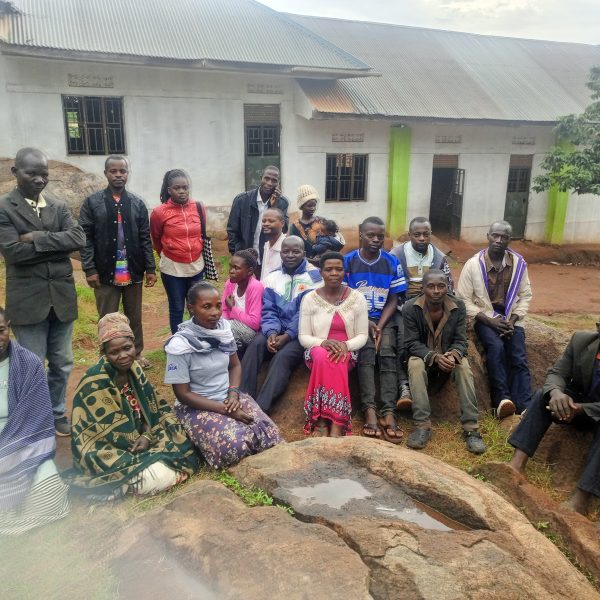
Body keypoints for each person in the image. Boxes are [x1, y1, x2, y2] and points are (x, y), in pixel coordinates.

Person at [0, 147, 85, 436]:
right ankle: (32, 421)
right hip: (28, 302)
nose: (39, 179)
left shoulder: (58, 206)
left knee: (62, 363)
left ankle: (56, 413)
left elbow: (78, 238)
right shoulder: (4, 208)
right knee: (31, 366)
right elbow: (12, 253)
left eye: (44, 174)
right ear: (15, 172)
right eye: (31, 173)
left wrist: (36, 238)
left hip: (61, 298)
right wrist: (56, 247)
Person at [71, 313, 199, 498]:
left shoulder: (135, 368)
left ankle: (138, 480)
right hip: (104, 449)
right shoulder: (95, 381)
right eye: (114, 352)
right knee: (158, 473)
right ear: (104, 354)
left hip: (141, 438)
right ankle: (119, 486)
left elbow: (151, 409)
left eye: (127, 348)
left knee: (184, 445)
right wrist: (143, 437)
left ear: (134, 345)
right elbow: (111, 433)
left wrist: (147, 433)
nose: (123, 356)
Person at [165, 282, 283, 468]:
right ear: (191, 308)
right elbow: (183, 394)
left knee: (270, 434)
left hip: (229, 398)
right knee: (235, 447)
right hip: (197, 406)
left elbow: (234, 366)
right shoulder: (180, 345)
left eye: (218, 305)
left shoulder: (223, 330)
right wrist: (224, 409)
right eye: (206, 306)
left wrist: (234, 393)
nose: (215, 312)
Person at [507, 327, 600, 518]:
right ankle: (515, 466)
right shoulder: (582, 340)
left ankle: (581, 499)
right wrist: (557, 394)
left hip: (593, 411)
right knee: (543, 395)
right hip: (577, 404)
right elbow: (557, 373)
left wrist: (581, 409)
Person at [79, 155, 157, 368]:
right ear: (106, 174)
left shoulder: (137, 203)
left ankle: (137, 353)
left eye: (122, 171)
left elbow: (144, 238)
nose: (118, 175)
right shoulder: (92, 203)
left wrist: (150, 267)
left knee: (134, 315)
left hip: (132, 269)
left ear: (127, 174)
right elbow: (85, 238)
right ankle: (107, 356)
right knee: (107, 316)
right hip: (105, 271)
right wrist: (89, 268)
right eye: (113, 171)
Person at [0, 308, 70, 535]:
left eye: (0, 330)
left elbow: (38, 419)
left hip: (23, 444)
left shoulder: (28, 363)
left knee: (50, 490)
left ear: (9, 327)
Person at [403, 270, 487, 454]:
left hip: (449, 356)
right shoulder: (410, 307)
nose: (436, 291)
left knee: (464, 367)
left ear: (447, 287)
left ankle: (471, 429)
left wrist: (453, 355)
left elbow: (461, 339)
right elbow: (411, 343)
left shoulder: (457, 306)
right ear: (422, 288)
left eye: (441, 286)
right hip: (424, 357)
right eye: (431, 286)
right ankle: (422, 426)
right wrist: (434, 357)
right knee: (415, 364)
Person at [457, 221, 533, 419]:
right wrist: (491, 321)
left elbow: (526, 295)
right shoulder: (474, 264)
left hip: (511, 319)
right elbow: (463, 299)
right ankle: (502, 400)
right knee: (496, 348)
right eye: (495, 236)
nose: (499, 240)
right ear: (488, 236)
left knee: (518, 354)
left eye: (504, 237)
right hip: (485, 318)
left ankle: (524, 404)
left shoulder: (518, 264)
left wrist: (513, 319)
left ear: (510, 239)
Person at [240, 236, 323, 412]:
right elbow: (268, 309)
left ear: (304, 253)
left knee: (282, 358)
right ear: (281, 253)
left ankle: (261, 411)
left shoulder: (315, 277)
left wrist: (287, 336)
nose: (290, 255)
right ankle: (243, 399)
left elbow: (307, 313)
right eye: (286, 251)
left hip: (301, 333)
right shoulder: (273, 277)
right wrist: (271, 333)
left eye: (296, 251)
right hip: (275, 329)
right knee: (255, 345)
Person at [344, 216, 407, 443]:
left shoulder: (391, 262)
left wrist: (379, 325)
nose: (376, 239)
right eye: (371, 235)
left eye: (380, 236)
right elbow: (344, 297)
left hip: (384, 319)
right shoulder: (348, 262)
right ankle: (369, 409)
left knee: (388, 352)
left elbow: (393, 297)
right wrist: (365, 322)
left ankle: (388, 412)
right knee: (367, 350)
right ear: (360, 234)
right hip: (356, 318)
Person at [299, 252, 368, 437]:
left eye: (339, 269)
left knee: (338, 357)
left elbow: (362, 335)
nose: (334, 273)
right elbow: (304, 336)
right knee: (324, 355)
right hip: (316, 349)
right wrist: (323, 342)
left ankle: (334, 423)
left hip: (348, 350)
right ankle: (323, 420)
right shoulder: (310, 298)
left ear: (345, 272)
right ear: (321, 273)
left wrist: (346, 345)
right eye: (329, 269)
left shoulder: (357, 298)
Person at [391, 216, 454, 410]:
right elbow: (392, 288)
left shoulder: (439, 257)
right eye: (416, 234)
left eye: (426, 234)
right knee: (402, 339)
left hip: (433, 311)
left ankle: (431, 385)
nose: (421, 238)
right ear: (409, 235)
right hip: (402, 309)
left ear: (431, 235)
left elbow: (449, 288)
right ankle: (404, 386)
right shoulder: (396, 255)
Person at [150, 169, 207, 334]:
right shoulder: (159, 213)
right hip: (172, 267)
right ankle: (179, 342)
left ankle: (197, 337)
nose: (182, 191)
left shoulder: (198, 207)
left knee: (197, 305)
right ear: (169, 190)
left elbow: (201, 232)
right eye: (177, 188)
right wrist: (169, 252)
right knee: (176, 307)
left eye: (185, 187)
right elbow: (156, 238)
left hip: (196, 265)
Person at [226, 165, 289, 265]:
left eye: (274, 180)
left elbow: (284, 229)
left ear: (278, 183)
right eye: (267, 178)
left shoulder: (282, 203)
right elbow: (232, 230)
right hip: (245, 258)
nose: (269, 183)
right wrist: (236, 253)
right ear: (261, 178)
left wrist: (275, 207)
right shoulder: (242, 200)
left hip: (268, 258)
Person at [222, 249, 264, 351]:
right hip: (232, 325)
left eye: (236, 268)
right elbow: (223, 310)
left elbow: (255, 323)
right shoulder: (230, 283)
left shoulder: (256, 287)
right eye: (231, 266)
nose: (231, 271)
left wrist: (233, 308)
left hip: (252, 332)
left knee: (224, 328)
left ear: (249, 271)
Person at [289, 184, 323, 256]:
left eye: (314, 205)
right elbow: (293, 246)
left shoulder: (321, 222)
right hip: (303, 262)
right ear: (301, 207)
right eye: (309, 205)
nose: (313, 208)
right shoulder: (294, 227)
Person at [260, 208, 286, 282]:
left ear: (282, 223)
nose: (266, 224)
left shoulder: (287, 247)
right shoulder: (266, 245)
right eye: (263, 221)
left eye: (271, 221)